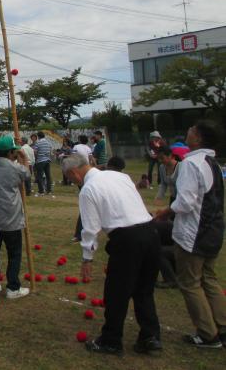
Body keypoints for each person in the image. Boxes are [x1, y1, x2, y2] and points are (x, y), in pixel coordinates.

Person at [62, 153, 161, 356]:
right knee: (144, 290)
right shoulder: (119, 176)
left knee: (117, 293)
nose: (72, 183)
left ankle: (111, 340)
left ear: (74, 173)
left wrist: (86, 259)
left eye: (69, 179)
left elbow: (90, 229)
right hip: (151, 232)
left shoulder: (88, 189)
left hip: (127, 239)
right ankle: (150, 337)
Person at [155, 120, 225, 348]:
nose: (188, 131)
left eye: (192, 130)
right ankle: (222, 327)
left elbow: (185, 202)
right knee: (209, 279)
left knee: (190, 283)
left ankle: (207, 334)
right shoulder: (212, 163)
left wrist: (165, 212)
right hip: (213, 229)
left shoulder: (190, 164)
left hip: (194, 232)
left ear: (199, 138)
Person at [0, 135, 31, 300]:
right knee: (14, 254)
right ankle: (12, 287)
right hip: (11, 220)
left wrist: (13, 151)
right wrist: (23, 157)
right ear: (12, 152)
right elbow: (26, 174)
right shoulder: (16, 168)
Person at [153, 145, 181, 289]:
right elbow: (163, 184)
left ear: (171, 156)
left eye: (163, 158)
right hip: (173, 199)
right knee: (170, 230)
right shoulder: (163, 169)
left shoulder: (181, 168)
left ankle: (175, 267)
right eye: (159, 159)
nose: (161, 161)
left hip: (181, 201)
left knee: (174, 229)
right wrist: (158, 197)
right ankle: (173, 267)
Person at [34, 131, 53, 196]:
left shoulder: (38, 143)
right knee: (48, 176)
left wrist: (36, 159)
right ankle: (49, 190)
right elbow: (50, 151)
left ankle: (41, 191)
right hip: (47, 160)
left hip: (40, 160)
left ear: (38, 136)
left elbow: (35, 152)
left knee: (39, 176)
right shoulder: (48, 142)